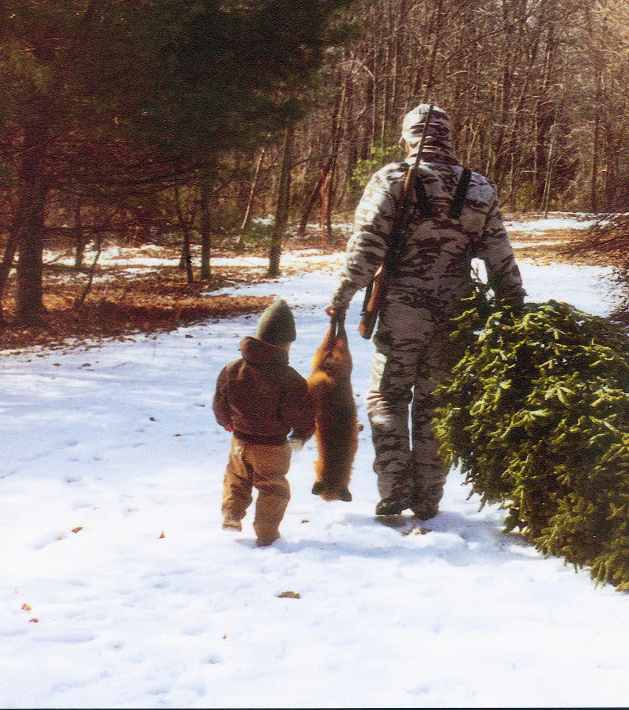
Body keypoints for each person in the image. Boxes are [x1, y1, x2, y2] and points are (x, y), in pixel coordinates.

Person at [328, 103, 524, 520]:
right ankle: (429, 498)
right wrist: (513, 306)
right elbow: (500, 257)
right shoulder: (479, 187)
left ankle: (395, 485)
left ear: (408, 137)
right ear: (448, 138)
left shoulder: (392, 179)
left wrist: (343, 295)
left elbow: (367, 247)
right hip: (457, 311)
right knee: (438, 403)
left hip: (401, 308)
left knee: (387, 396)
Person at [213, 298, 316, 546]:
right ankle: (267, 533)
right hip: (272, 446)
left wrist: (224, 419)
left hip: (239, 441)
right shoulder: (290, 379)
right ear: (287, 344)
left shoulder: (232, 368)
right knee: (273, 489)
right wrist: (301, 434)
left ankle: (232, 514)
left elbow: (220, 399)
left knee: (236, 479)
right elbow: (298, 414)